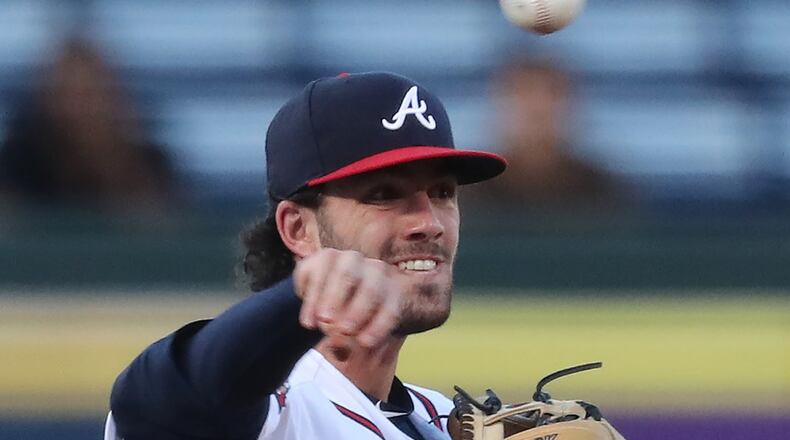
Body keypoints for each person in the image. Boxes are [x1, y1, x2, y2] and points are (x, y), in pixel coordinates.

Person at [105, 72, 506, 440]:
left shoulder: (442, 418)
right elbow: (160, 396)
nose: (429, 221)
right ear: (298, 229)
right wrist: (300, 298)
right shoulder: (271, 412)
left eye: (442, 193)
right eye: (383, 195)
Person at [0, 38, 174, 214]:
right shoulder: (19, 160)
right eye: (68, 94)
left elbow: (161, 226)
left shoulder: (147, 160)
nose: (79, 107)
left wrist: (116, 166)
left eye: (89, 93)